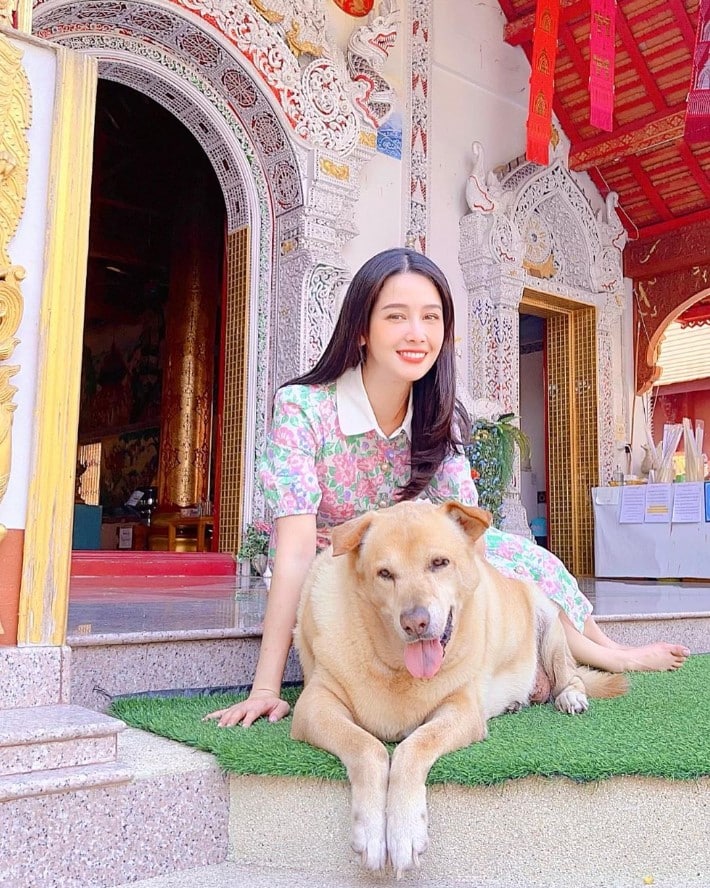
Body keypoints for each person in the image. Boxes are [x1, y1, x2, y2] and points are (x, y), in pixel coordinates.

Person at [205, 248, 690, 728]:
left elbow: (470, 537)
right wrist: (266, 688)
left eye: (431, 317)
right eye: (396, 316)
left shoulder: (439, 416)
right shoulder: (303, 408)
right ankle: (597, 657)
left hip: (422, 561)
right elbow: (292, 553)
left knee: (522, 557)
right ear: (360, 329)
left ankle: (604, 651)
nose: (417, 333)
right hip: (343, 568)